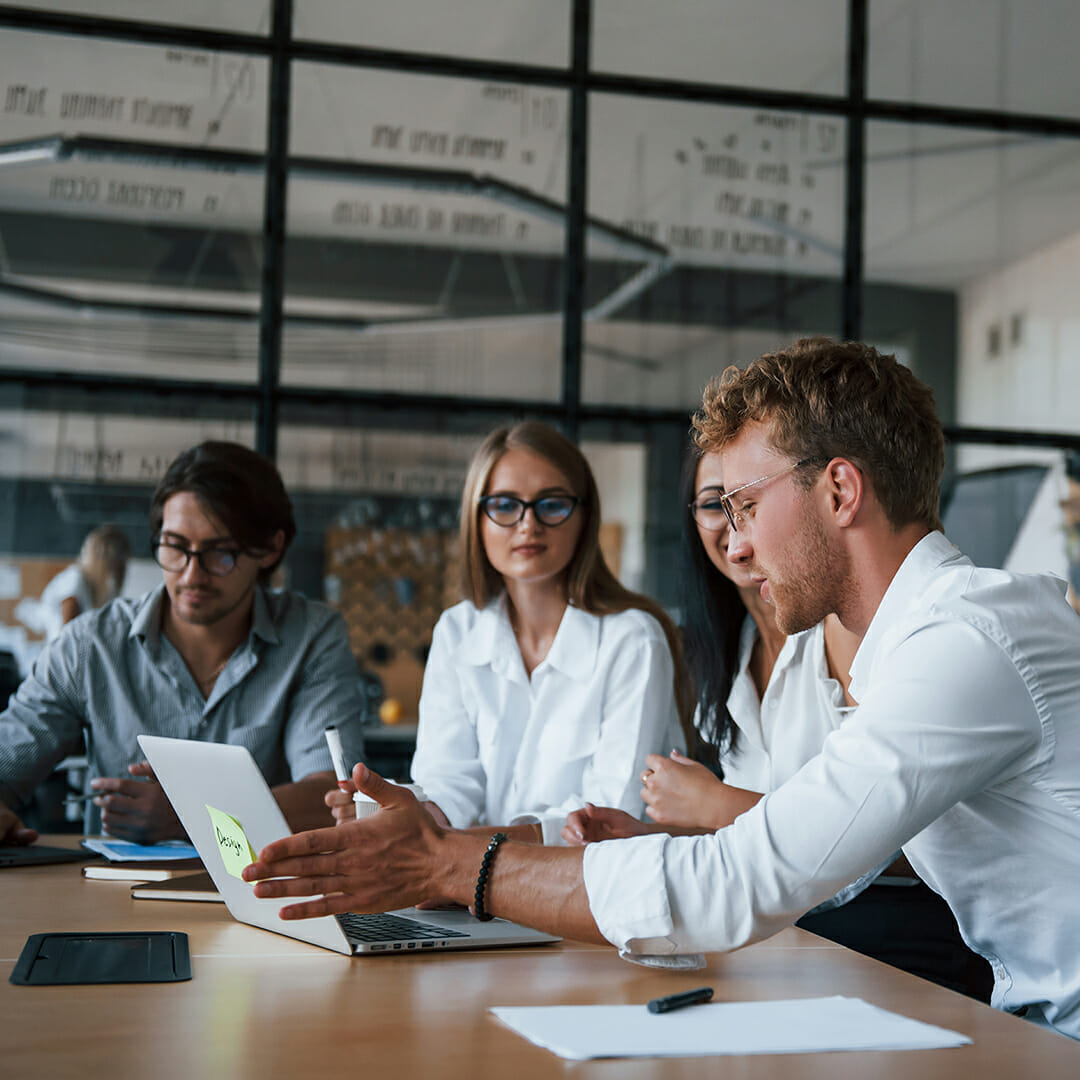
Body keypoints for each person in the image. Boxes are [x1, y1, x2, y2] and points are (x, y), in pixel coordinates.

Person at [242, 340, 1080, 1042]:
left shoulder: (966, 640)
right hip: (1025, 1020)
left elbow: (740, 882)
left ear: (838, 490)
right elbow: (831, 867)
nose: (735, 542)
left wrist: (449, 861)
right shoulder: (883, 651)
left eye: (746, 504)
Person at [563, 446, 991, 999]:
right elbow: (762, 848)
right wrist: (655, 835)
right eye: (717, 505)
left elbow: (890, 838)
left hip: (888, 928)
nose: (740, 535)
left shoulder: (869, 631)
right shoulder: (723, 652)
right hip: (792, 930)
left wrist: (713, 805)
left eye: (750, 503)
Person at [328, 421, 692, 844]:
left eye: (552, 505)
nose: (528, 525)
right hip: (471, 888)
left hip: (590, 890)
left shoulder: (632, 639)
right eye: (504, 505)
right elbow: (448, 783)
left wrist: (446, 846)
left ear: (585, 516)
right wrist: (397, 815)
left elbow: (612, 815)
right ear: (477, 518)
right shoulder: (457, 630)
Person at [0, 440, 365, 846]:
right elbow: (8, 761)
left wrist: (191, 814)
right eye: (175, 547)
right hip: (112, 899)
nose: (191, 575)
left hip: (268, 895)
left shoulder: (312, 637)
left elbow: (333, 798)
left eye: (220, 553)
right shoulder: (92, 645)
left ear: (270, 548)